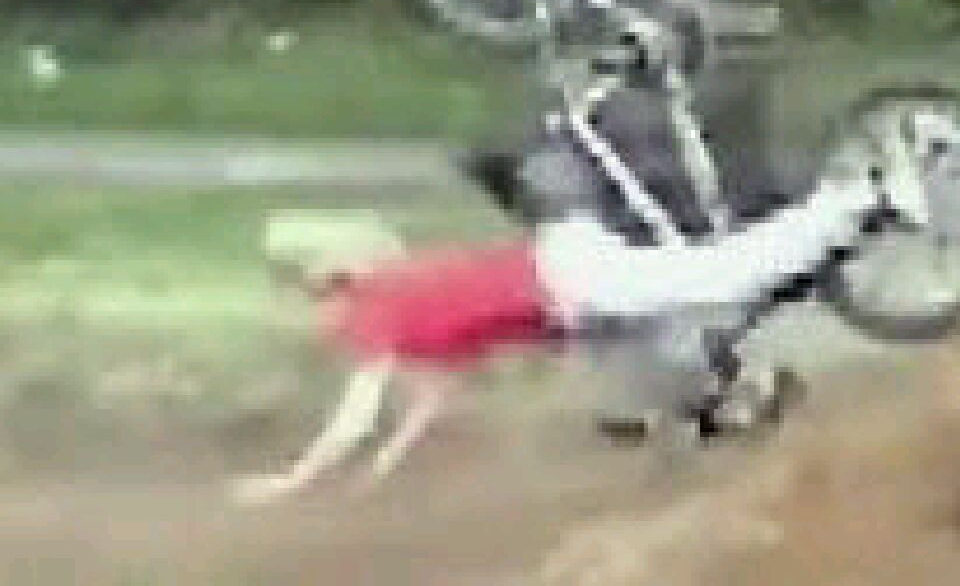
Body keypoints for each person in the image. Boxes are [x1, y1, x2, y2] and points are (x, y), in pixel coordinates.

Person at [231, 129, 928, 506]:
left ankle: (864, 196)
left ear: (322, 295)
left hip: (573, 283)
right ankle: (856, 233)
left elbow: (356, 418)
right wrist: (389, 462)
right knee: (681, 344)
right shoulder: (396, 300)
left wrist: (289, 482)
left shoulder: (370, 318)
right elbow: (435, 393)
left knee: (724, 274)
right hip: (569, 274)